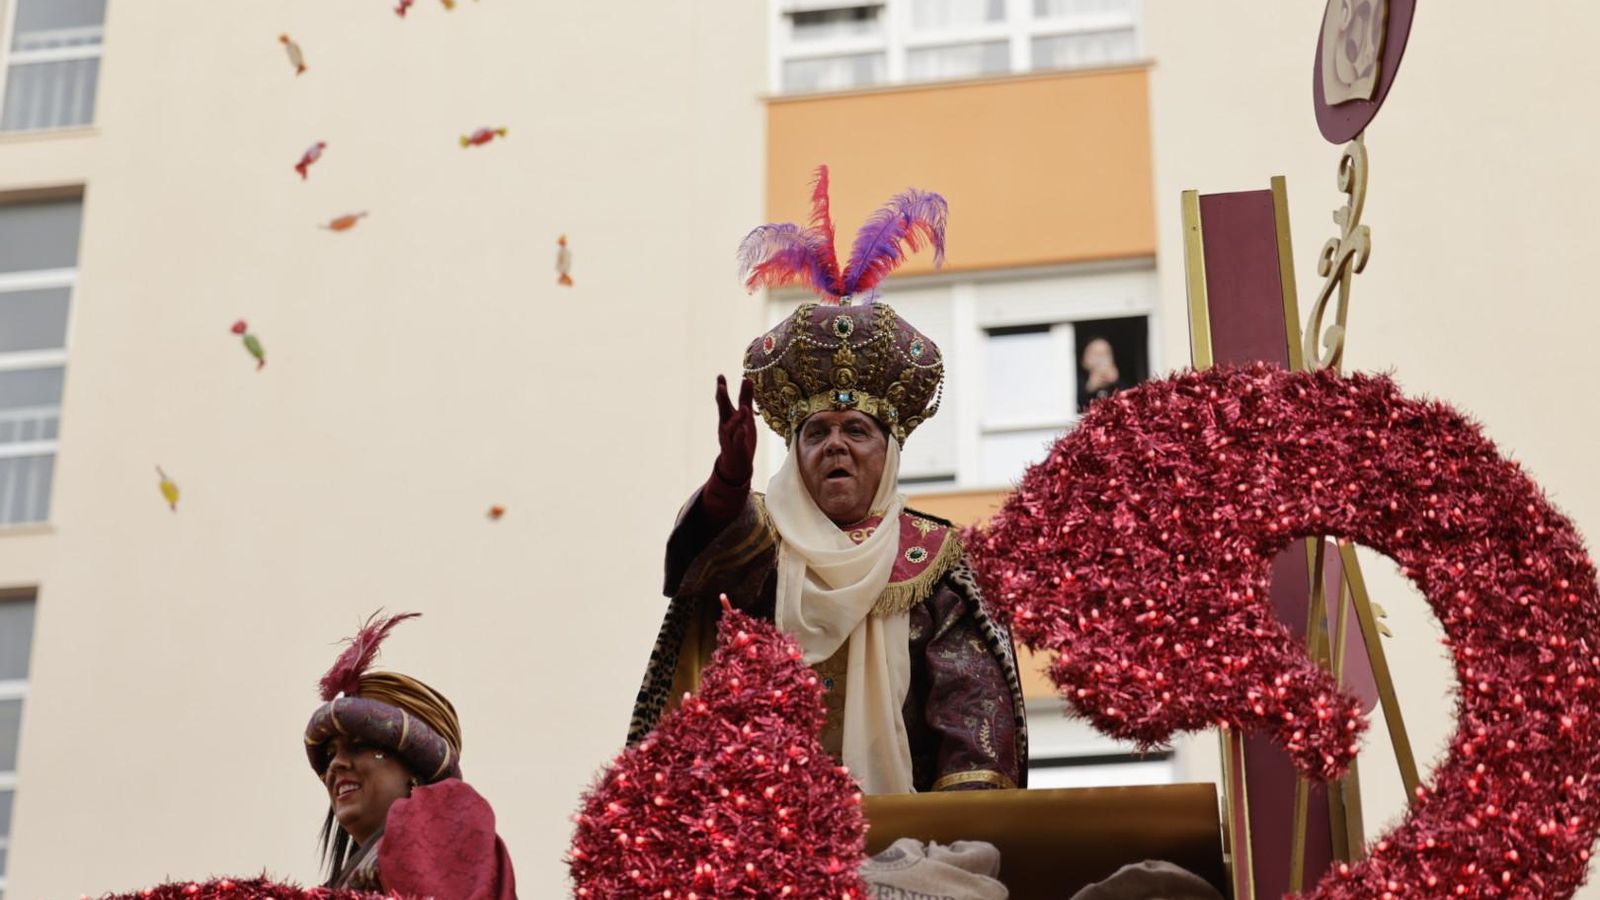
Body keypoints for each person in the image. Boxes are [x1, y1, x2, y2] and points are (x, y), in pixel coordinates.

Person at [630, 170, 1028, 795]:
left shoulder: (936, 560)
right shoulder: (761, 543)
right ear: (794, 453)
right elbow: (693, 569)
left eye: (856, 430)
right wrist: (731, 480)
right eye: (815, 433)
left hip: (908, 849)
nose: (835, 444)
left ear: (890, 452)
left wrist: (959, 833)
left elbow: (972, 715)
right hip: (764, 842)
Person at [303, 612, 517, 897]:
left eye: (359, 745)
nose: (337, 764)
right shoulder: (357, 873)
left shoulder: (443, 819)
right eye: (331, 753)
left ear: (414, 770)